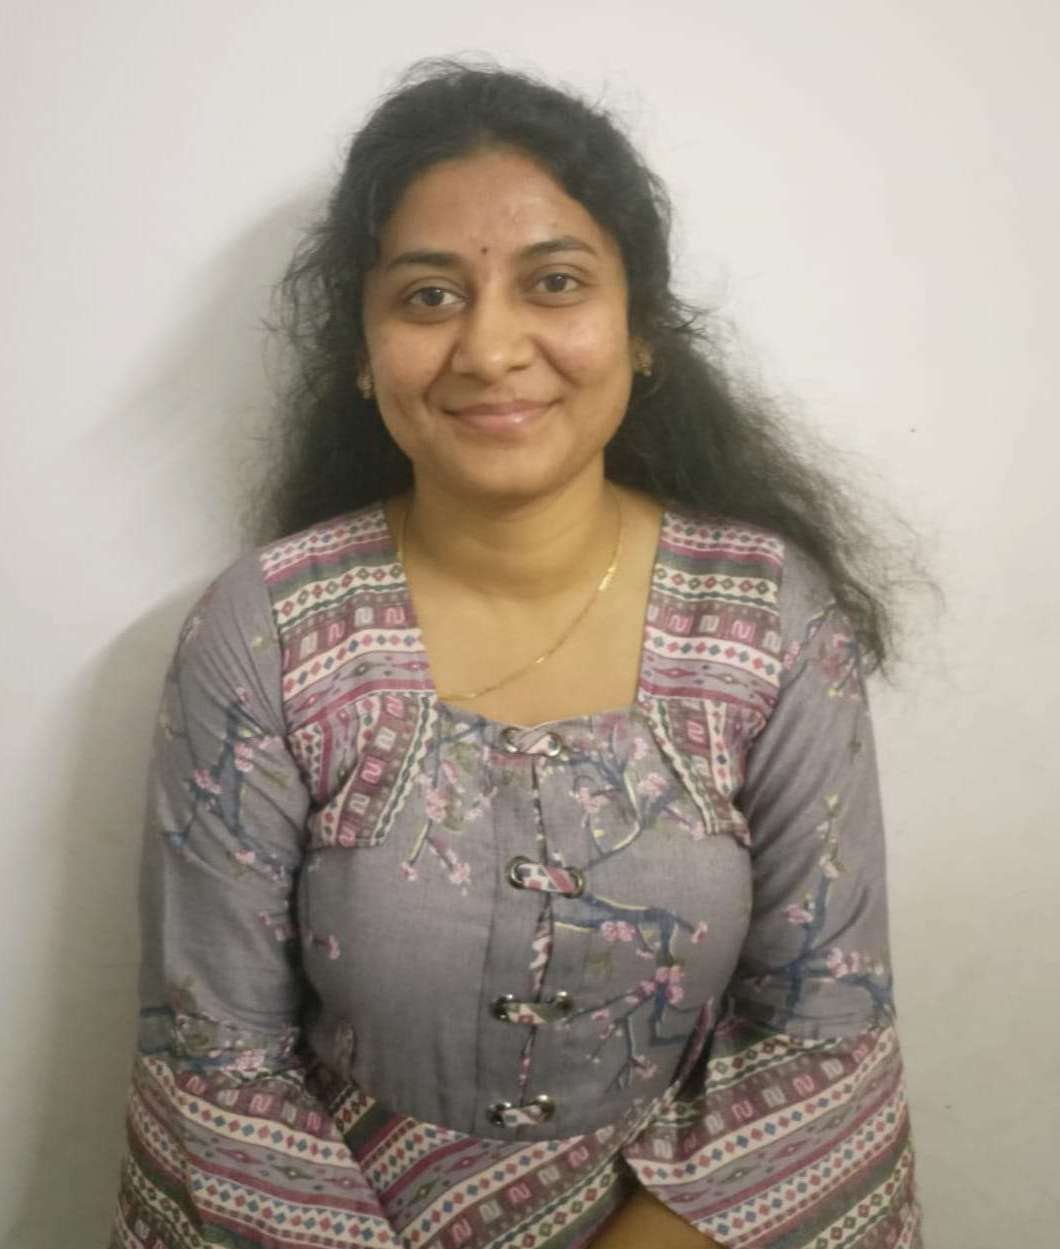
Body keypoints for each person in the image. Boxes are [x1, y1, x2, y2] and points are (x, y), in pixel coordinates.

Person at [110, 60, 922, 1249]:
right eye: (429, 295)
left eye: (554, 282)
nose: (490, 348)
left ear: (641, 330)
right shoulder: (265, 630)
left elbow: (827, 1033)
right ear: (362, 349)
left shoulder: (769, 620)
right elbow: (212, 1061)